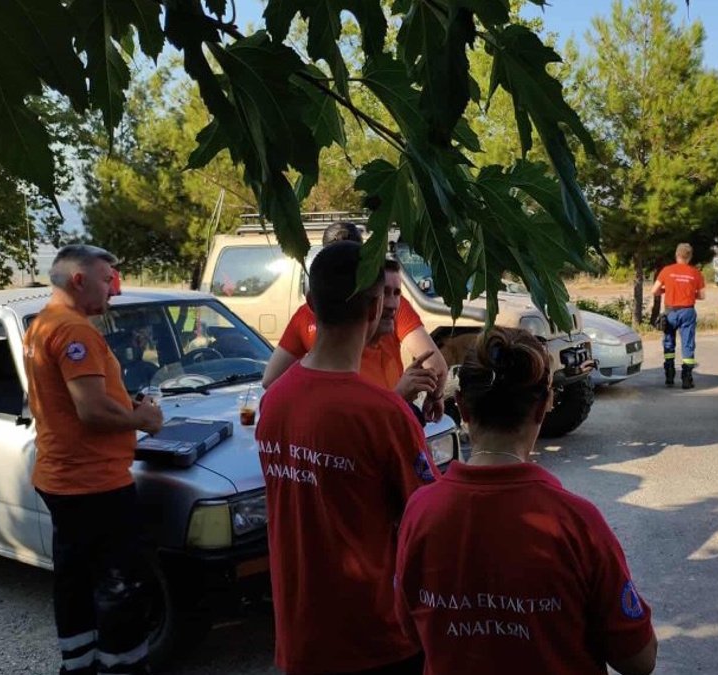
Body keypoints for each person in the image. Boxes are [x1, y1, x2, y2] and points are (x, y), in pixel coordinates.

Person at [394, 327, 658, 675]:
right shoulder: (576, 523)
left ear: (462, 406)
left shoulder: (420, 513)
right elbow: (639, 659)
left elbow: (409, 628)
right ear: (543, 407)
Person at [257, 240, 441, 675]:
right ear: (375, 307)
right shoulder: (384, 414)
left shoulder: (274, 402)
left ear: (310, 302)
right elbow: (430, 520)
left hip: (300, 637)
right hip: (376, 640)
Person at [24, 244, 164, 675]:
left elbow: (69, 403)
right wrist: (142, 419)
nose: (114, 291)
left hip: (61, 476)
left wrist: (127, 408)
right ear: (79, 280)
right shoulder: (75, 331)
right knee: (120, 585)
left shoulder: (42, 323)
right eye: (107, 280)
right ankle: (123, 667)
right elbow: (92, 410)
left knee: (75, 582)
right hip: (93, 482)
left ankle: (78, 665)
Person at [262, 225, 448, 422]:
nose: (389, 303)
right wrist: (407, 397)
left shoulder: (306, 315)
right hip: (380, 419)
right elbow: (436, 366)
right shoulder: (391, 305)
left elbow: (271, 380)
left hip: (332, 418)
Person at [650, 243, 705, 389]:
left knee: (669, 342)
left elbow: (654, 290)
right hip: (687, 311)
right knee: (688, 343)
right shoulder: (695, 273)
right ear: (690, 257)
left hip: (670, 312)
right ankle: (687, 378)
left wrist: (665, 290)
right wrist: (690, 293)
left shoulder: (667, 270)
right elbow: (702, 295)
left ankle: (669, 375)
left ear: (676, 255)